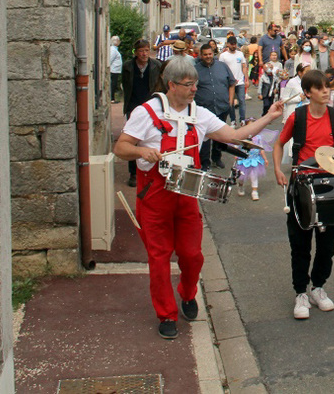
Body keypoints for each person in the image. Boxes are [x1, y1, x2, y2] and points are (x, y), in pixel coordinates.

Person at [112, 55, 283, 339]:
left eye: (195, 84)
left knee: (192, 256)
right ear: (171, 85)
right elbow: (121, 147)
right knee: (159, 258)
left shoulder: (200, 114)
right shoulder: (147, 113)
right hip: (154, 196)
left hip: (187, 195)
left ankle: (188, 293)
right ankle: (166, 314)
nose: (194, 89)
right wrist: (142, 151)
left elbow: (234, 135)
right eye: (189, 84)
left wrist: (269, 116)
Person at [273, 70, 334, 320]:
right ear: (308, 92)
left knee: (327, 243)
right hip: (301, 184)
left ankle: (318, 287)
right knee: (299, 243)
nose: (326, 91)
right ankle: (301, 292)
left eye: (328, 87)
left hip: (328, 185)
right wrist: (278, 169)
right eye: (320, 88)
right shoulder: (297, 117)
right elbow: (279, 143)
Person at [122, 39, 162, 187]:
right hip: (133, 106)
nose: (144, 54)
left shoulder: (156, 65)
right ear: (136, 52)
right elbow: (126, 86)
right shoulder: (128, 67)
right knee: (132, 139)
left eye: (146, 50)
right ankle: (133, 172)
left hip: (150, 105)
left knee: (150, 137)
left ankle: (151, 169)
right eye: (141, 51)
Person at [194, 44, 236, 170]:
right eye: (205, 54)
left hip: (222, 107)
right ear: (201, 55)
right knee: (205, 137)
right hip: (204, 109)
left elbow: (232, 83)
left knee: (220, 136)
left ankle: (216, 158)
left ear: (213, 53)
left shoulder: (222, 66)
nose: (208, 56)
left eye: (210, 54)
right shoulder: (195, 70)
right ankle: (205, 162)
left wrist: (230, 101)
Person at [220, 38, 248, 127]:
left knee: (242, 101)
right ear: (227, 44)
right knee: (230, 102)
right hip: (229, 83)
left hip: (240, 82)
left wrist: (246, 79)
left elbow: (244, 66)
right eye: (231, 44)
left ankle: (242, 119)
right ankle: (233, 120)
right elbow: (221, 69)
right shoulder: (223, 56)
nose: (233, 46)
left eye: (235, 44)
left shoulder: (240, 54)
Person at [259, 50, 284, 115]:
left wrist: (279, 73)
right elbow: (260, 84)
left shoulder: (279, 64)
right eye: (272, 55)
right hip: (267, 86)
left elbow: (281, 75)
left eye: (275, 55)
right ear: (270, 56)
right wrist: (260, 93)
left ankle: (269, 114)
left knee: (272, 102)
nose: (274, 57)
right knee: (266, 104)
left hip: (275, 83)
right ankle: (265, 114)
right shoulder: (267, 64)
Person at [109, 36, 123, 102]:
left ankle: (112, 98)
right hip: (113, 70)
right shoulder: (113, 50)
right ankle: (111, 98)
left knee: (114, 84)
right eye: (118, 40)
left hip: (116, 70)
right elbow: (110, 59)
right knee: (113, 84)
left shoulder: (115, 49)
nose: (119, 42)